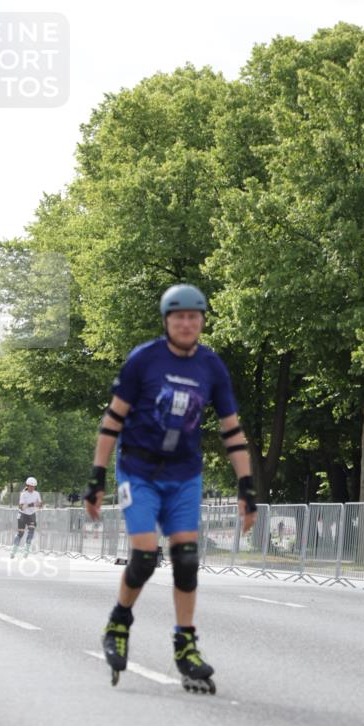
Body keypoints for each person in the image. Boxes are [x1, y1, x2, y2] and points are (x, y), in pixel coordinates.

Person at [84, 283, 257, 693]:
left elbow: (232, 430)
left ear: (201, 321)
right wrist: (97, 476)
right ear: (166, 321)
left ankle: (185, 645)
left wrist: (246, 486)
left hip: (184, 476)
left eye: (193, 317)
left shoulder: (212, 367)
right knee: (144, 558)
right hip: (139, 471)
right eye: (178, 316)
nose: (186, 323)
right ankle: (119, 622)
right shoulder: (144, 360)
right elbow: (112, 420)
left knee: (186, 559)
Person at [11, 476, 43, 558]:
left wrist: (39, 505)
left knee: (31, 531)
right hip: (22, 514)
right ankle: (14, 550)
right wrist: (32, 504)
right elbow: (21, 507)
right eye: (31, 486)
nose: (32, 488)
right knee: (20, 533)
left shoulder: (37, 494)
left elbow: (40, 504)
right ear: (27, 486)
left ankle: (26, 550)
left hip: (32, 515)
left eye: (34, 486)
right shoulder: (23, 494)